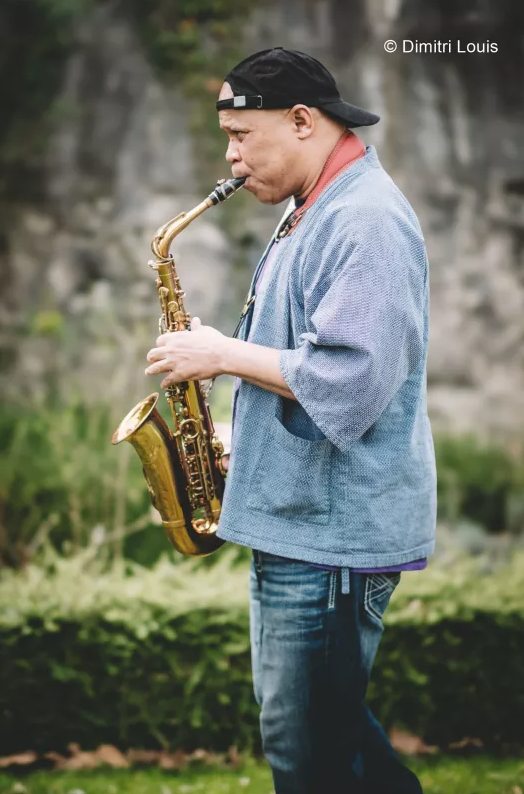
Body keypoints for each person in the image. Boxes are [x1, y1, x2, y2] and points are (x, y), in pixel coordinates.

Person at [145, 47, 436, 794]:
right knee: (327, 739)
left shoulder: (364, 220)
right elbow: (308, 356)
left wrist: (222, 354)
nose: (231, 157)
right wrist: (244, 438)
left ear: (303, 121)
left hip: (330, 542)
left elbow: (351, 377)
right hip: (306, 525)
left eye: (242, 135)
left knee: (310, 752)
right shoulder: (313, 206)